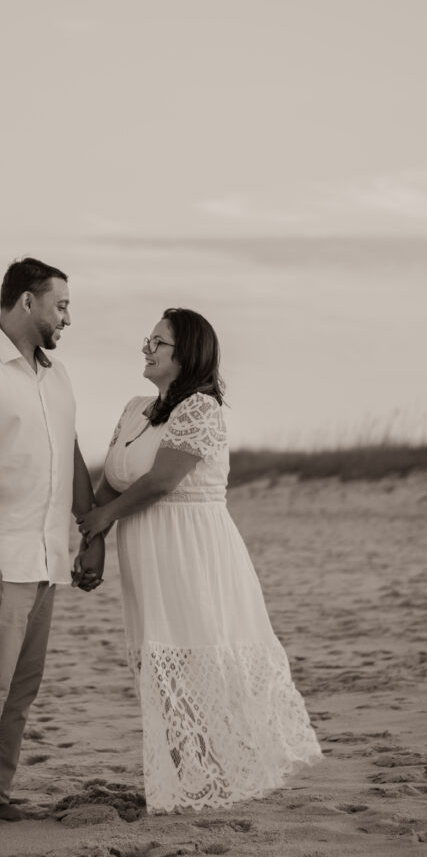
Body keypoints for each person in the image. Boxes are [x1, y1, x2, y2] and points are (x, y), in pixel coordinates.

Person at [78, 308, 322, 812]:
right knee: (159, 664)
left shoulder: (200, 409)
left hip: (190, 549)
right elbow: (113, 481)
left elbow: (163, 481)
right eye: (147, 339)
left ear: (186, 355)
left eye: (158, 342)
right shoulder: (134, 408)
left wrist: (105, 520)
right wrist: (93, 541)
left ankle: (205, 779)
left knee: (191, 659)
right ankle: (182, 777)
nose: (146, 348)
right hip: (146, 549)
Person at [0, 257, 100, 831]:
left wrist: (89, 528)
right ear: (27, 302)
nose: (68, 318)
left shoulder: (56, 376)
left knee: (20, 689)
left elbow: (69, 456)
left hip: (45, 556)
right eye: (62, 305)